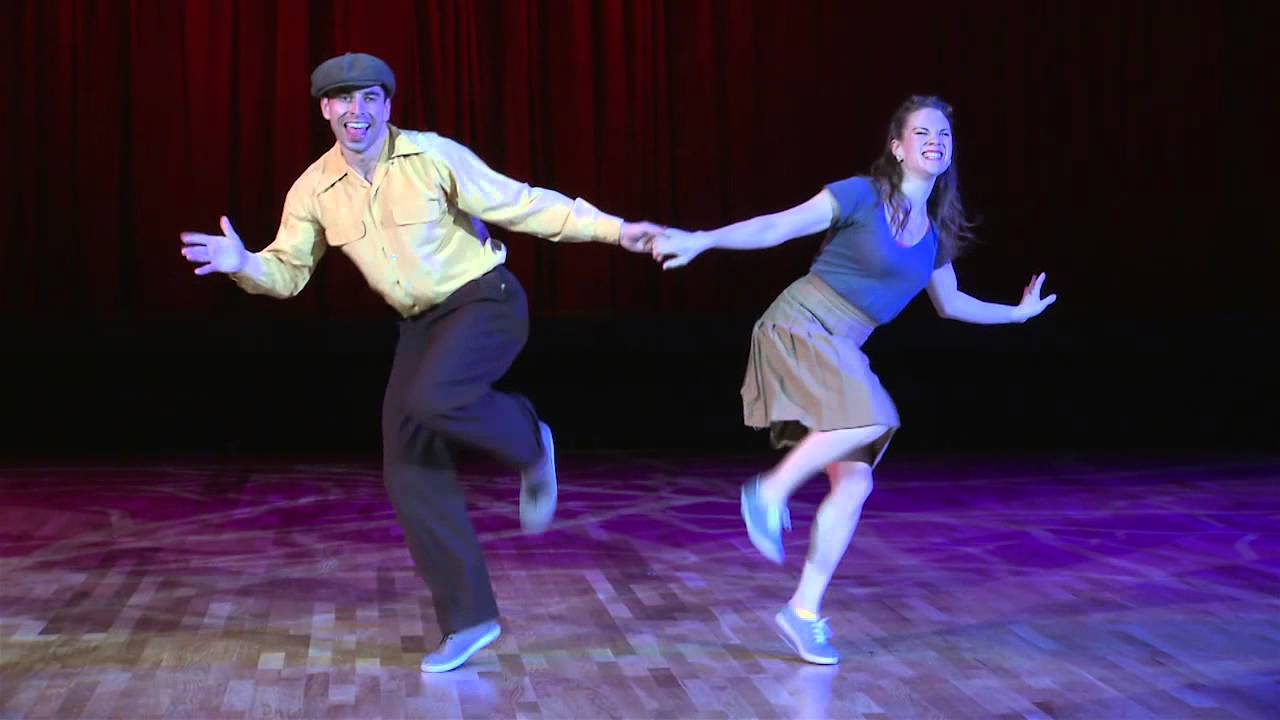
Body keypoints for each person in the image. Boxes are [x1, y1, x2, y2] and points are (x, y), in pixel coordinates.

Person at [179, 52, 664, 673]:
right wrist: (245, 264)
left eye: (369, 98)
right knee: (406, 466)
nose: (357, 111)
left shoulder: (431, 156)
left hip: (484, 300)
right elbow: (289, 271)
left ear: (387, 106)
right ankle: (470, 619)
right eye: (343, 99)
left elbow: (521, 204)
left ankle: (530, 441)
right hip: (420, 325)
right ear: (326, 109)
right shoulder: (313, 189)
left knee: (434, 398)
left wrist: (614, 229)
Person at [651, 95, 1057, 665]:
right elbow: (778, 226)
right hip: (800, 324)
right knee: (874, 417)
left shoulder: (934, 235)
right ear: (898, 148)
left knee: (856, 483)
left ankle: (802, 612)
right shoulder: (861, 196)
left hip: (844, 346)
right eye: (922, 133)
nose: (935, 141)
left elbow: (952, 303)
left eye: (943, 134)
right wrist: (702, 238)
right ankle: (767, 492)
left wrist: (1016, 315)